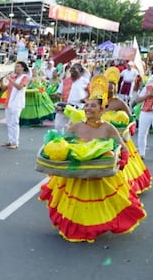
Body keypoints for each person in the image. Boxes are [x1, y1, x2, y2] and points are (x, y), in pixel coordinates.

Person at [39, 78, 146, 243]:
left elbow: (123, 147)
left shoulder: (108, 128)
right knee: (76, 204)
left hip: (100, 173)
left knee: (102, 203)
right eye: (86, 105)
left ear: (102, 110)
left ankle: (95, 227)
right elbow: (63, 143)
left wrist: (122, 160)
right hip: (77, 172)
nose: (88, 108)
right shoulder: (75, 126)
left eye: (93, 106)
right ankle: (77, 229)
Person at [103, 67, 150, 194]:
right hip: (100, 137)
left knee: (119, 163)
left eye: (113, 86)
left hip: (118, 137)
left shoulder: (119, 102)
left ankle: (123, 187)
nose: (111, 88)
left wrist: (131, 126)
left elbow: (131, 117)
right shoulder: (97, 101)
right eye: (108, 85)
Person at [2, 61, 29, 150]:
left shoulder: (24, 77)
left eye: (18, 66)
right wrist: (1, 81)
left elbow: (19, 87)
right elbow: (4, 88)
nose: (16, 68)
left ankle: (15, 142)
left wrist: (10, 80)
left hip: (17, 103)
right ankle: (10, 140)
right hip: (9, 102)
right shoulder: (13, 77)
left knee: (14, 122)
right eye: (15, 66)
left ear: (23, 68)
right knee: (9, 122)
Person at [136, 76, 153, 160]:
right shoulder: (148, 87)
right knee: (142, 133)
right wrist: (148, 95)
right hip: (145, 112)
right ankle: (141, 153)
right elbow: (138, 99)